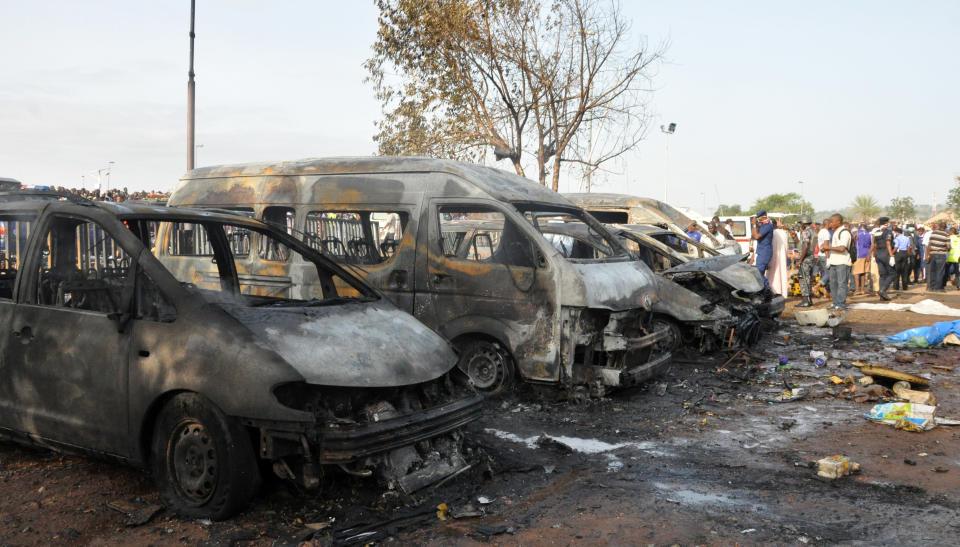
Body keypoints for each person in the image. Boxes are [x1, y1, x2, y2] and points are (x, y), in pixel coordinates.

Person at [823, 214, 853, 310]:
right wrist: (825, 249)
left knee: (841, 284)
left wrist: (828, 247)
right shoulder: (836, 232)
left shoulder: (844, 233)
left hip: (842, 262)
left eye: (832, 222)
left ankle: (841, 304)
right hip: (834, 261)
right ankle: (835, 303)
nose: (830, 224)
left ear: (838, 222)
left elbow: (842, 248)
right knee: (833, 283)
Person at [871, 216, 895, 300]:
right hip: (885, 254)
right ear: (886, 223)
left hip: (878, 254)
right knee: (892, 274)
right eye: (888, 222)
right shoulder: (888, 232)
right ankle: (882, 290)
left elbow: (874, 245)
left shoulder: (876, 232)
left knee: (882, 275)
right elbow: (888, 243)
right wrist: (891, 256)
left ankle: (882, 297)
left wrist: (874, 255)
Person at [796, 215, 817, 307]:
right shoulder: (813, 231)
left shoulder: (806, 232)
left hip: (805, 258)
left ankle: (805, 301)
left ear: (804, 223)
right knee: (808, 278)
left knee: (803, 278)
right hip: (811, 257)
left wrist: (800, 260)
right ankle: (809, 300)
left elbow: (805, 246)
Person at [751, 210, 774, 287]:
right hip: (761, 251)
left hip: (765, 252)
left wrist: (754, 225)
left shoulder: (767, 225)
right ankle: (764, 291)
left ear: (763, 216)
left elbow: (756, 236)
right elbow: (754, 235)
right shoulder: (763, 225)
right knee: (759, 273)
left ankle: (768, 289)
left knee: (758, 272)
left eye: (758, 217)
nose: (758, 219)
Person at [766, 219, 790, 296]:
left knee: (772, 275)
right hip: (782, 257)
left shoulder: (771, 233)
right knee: (782, 274)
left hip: (773, 256)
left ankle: (773, 292)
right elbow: (786, 246)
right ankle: (782, 293)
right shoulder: (783, 233)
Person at [926, 222, 951, 291]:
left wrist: (928, 255)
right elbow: (948, 247)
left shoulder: (933, 233)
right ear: (945, 228)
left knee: (932, 271)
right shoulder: (946, 235)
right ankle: (938, 288)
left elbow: (929, 244)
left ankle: (931, 287)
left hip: (932, 254)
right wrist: (948, 249)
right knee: (940, 271)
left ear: (939, 227)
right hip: (941, 254)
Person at [853, 223, 872, 295]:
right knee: (863, 273)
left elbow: (853, 242)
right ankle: (862, 290)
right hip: (867, 254)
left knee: (856, 273)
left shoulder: (856, 233)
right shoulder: (869, 234)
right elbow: (871, 244)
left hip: (859, 254)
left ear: (859, 227)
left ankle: (857, 289)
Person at [892, 226, 912, 291]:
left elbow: (896, 247)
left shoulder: (897, 238)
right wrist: (908, 255)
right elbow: (909, 247)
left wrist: (891, 254)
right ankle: (905, 287)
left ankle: (896, 286)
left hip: (898, 254)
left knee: (897, 271)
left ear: (897, 232)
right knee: (905, 271)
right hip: (905, 253)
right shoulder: (907, 238)